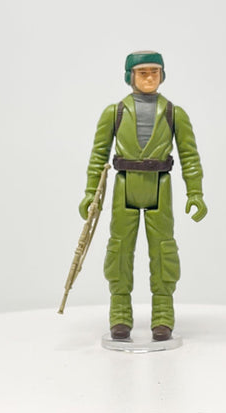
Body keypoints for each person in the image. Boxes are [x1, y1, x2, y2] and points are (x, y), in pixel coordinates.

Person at [79, 51, 207, 341]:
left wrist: (195, 191)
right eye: (142, 73)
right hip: (125, 185)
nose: (149, 78)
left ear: (163, 75)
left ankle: (163, 313)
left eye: (154, 72)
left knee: (163, 250)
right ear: (130, 76)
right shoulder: (114, 113)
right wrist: (90, 193)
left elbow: (189, 155)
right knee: (119, 250)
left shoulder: (174, 113)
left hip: (160, 185)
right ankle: (119, 312)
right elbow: (98, 155)